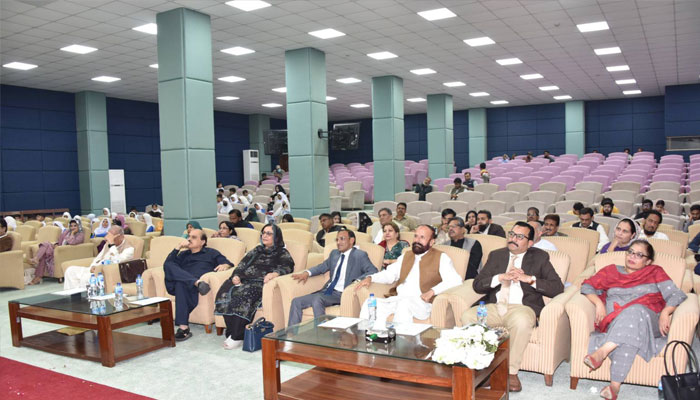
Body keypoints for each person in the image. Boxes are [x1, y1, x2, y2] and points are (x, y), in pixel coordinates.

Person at [462, 222, 565, 392]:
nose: (513, 239)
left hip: (522, 307)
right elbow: (478, 285)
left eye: (519, 236)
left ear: (530, 243)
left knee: (522, 321)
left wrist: (529, 279)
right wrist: (499, 277)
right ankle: (481, 367)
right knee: (468, 316)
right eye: (511, 234)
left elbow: (557, 287)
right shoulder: (496, 255)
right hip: (494, 306)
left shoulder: (540, 257)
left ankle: (511, 372)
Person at [580, 240, 686, 400]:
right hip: (616, 322)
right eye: (630, 252)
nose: (632, 256)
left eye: (639, 255)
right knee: (628, 335)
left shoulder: (655, 271)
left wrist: (666, 311)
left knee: (635, 310)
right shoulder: (610, 271)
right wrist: (598, 303)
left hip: (650, 321)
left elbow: (676, 294)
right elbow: (587, 286)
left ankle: (602, 351)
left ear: (648, 261)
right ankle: (614, 387)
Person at [356, 225, 461, 324]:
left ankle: (401, 341)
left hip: (422, 303)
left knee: (404, 305)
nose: (417, 240)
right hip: (399, 298)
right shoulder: (406, 255)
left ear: (431, 242)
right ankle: (369, 337)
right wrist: (371, 278)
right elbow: (390, 274)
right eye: (416, 236)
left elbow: (455, 280)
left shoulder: (441, 257)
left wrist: (432, 291)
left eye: (422, 237)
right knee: (370, 304)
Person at [214, 224, 293, 348]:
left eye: (269, 233)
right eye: (263, 232)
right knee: (225, 291)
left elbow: (288, 266)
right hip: (244, 280)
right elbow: (242, 264)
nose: (264, 235)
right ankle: (232, 331)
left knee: (243, 296)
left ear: (276, 236)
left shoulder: (281, 252)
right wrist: (237, 275)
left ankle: (237, 336)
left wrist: (274, 274)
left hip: (260, 283)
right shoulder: (257, 250)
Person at [288, 229, 377, 326]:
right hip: (327, 291)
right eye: (337, 240)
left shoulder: (359, 255)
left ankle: (322, 335)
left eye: (342, 239)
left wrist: (358, 280)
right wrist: (307, 273)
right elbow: (322, 267)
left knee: (317, 299)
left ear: (351, 240)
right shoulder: (334, 253)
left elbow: (373, 270)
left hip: (343, 293)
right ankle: (290, 337)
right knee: (296, 302)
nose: (338, 242)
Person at [166, 228, 234, 341]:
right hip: (194, 283)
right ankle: (195, 282)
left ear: (202, 242)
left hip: (192, 287)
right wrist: (177, 247)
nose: (189, 239)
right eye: (189, 237)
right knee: (169, 265)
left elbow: (228, 263)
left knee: (180, 284)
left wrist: (225, 265)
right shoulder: (183, 254)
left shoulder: (211, 253)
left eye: (193, 237)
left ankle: (183, 328)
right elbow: (168, 265)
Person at [63, 226, 135, 290]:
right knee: (70, 271)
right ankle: (73, 298)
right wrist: (93, 266)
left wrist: (112, 245)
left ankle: (85, 299)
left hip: (107, 273)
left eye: (111, 237)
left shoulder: (129, 249)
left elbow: (117, 262)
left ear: (121, 237)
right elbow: (98, 258)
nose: (108, 238)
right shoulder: (107, 244)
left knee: (87, 278)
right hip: (96, 269)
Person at [28, 220, 85, 285]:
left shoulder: (80, 235)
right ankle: (37, 263)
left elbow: (72, 242)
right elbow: (60, 241)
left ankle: (37, 274)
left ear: (79, 226)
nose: (73, 228)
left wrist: (72, 234)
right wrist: (56, 245)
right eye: (71, 226)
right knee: (46, 244)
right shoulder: (66, 232)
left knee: (45, 250)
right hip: (59, 250)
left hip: (65, 253)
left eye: (75, 226)